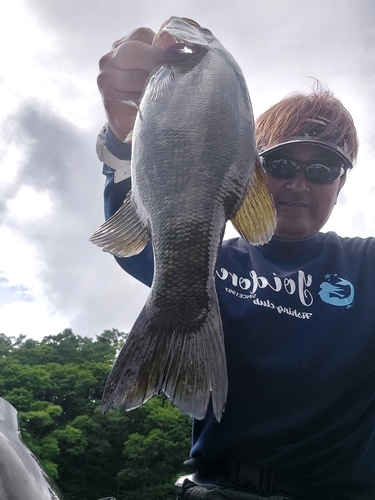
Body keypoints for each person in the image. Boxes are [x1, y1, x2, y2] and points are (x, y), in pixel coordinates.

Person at [96, 26, 375, 500]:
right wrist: (127, 138)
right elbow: (138, 234)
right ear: (246, 164)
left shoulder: (366, 266)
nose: (299, 183)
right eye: (282, 164)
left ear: (341, 185)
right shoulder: (204, 260)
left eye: (324, 170)